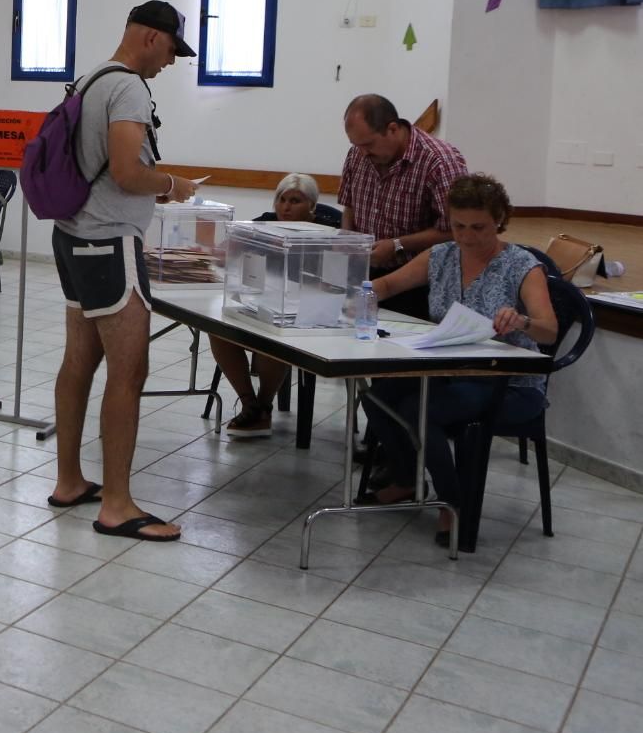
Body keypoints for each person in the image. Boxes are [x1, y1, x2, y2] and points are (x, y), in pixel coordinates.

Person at [48, 1, 201, 542]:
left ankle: (70, 480)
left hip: (71, 237)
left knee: (78, 362)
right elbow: (127, 172)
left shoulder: (88, 79)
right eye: (172, 51)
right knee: (128, 373)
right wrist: (172, 184)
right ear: (151, 38)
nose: (171, 63)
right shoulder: (129, 88)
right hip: (109, 242)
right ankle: (117, 505)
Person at [360, 174, 558, 546]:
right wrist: (361, 293)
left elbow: (549, 330)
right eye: (458, 226)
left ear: (499, 219)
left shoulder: (521, 265)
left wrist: (523, 321)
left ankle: (455, 503)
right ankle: (405, 479)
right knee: (378, 396)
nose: (467, 236)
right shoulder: (442, 255)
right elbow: (389, 285)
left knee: (424, 410)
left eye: (478, 227)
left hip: (509, 383)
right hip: (450, 372)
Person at [212, 173, 333, 438]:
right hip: (264, 303)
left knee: (272, 336)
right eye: (281, 200)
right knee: (219, 330)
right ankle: (249, 403)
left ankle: (264, 406)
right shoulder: (266, 223)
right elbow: (225, 250)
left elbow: (334, 282)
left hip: (310, 312)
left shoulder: (329, 228)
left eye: (295, 201)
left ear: (312, 205)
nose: (286, 207)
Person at [339, 94, 468, 321]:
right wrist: (349, 241)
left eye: (368, 144)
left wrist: (398, 245)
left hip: (416, 284)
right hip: (365, 275)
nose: (362, 153)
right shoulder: (358, 155)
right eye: (355, 145)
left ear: (392, 129)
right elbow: (349, 205)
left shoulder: (439, 161)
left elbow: (456, 232)